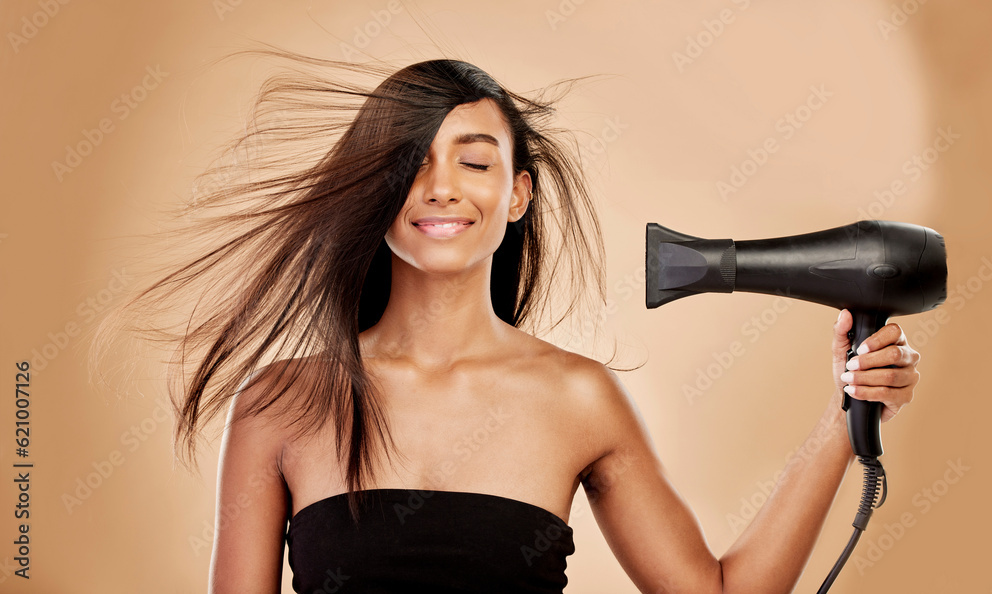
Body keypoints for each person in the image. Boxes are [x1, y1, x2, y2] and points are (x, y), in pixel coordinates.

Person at [100, 53, 921, 593]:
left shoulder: (575, 399)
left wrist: (843, 424)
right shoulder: (281, 402)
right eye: (410, 163)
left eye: (475, 160)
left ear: (517, 195)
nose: (443, 187)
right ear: (373, 193)